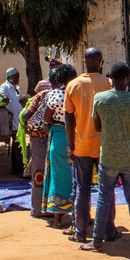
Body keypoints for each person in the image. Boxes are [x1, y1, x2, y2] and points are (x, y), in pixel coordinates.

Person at [79, 62, 130, 252]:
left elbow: (97, 127)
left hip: (107, 157)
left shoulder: (100, 99)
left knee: (103, 197)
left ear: (110, 79)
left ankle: (97, 241)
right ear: (127, 79)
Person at [64, 48, 112, 243]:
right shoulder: (109, 84)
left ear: (84, 61)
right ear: (101, 62)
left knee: (82, 190)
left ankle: (81, 232)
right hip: (104, 146)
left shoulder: (73, 85)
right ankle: (108, 230)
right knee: (105, 188)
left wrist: (71, 145)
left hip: (81, 146)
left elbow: (68, 118)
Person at [43, 64, 78, 228]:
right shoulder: (78, 94)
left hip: (58, 136)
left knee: (57, 175)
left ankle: (57, 219)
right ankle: (81, 215)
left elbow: (47, 117)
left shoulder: (55, 94)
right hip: (77, 137)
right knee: (79, 177)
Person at [22, 70, 57, 218]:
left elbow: (25, 115)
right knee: (55, 173)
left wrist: (29, 129)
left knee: (38, 173)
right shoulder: (61, 96)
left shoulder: (40, 96)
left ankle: (37, 208)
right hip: (55, 137)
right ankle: (52, 208)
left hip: (37, 139)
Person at [0, 68, 25, 174]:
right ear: (9, 78)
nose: (17, 79)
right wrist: (3, 97)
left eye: (18, 77)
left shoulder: (16, 87)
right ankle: (18, 167)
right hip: (12, 121)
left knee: (17, 144)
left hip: (18, 120)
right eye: (15, 77)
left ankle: (16, 167)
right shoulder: (5, 87)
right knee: (17, 145)